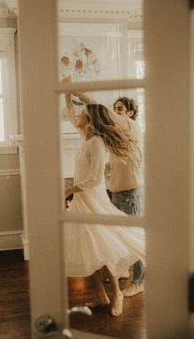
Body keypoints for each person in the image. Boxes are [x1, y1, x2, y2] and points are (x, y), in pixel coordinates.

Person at [63, 89, 145, 317]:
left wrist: (67, 189)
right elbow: (71, 114)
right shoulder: (85, 138)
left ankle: (120, 292)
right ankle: (101, 294)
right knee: (89, 249)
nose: (77, 116)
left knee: (103, 246)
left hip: (94, 200)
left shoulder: (97, 142)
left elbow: (93, 179)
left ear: (89, 120)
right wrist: (66, 94)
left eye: (82, 114)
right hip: (82, 200)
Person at [112, 97, 145, 297]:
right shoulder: (118, 135)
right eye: (114, 108)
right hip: (117, 191)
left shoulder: (133, 127)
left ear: (130, 113)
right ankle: (123, 269)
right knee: (121, 234)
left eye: (120, 109)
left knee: (136, 238)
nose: (115, 112)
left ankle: (139, 281)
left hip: (131, 192)